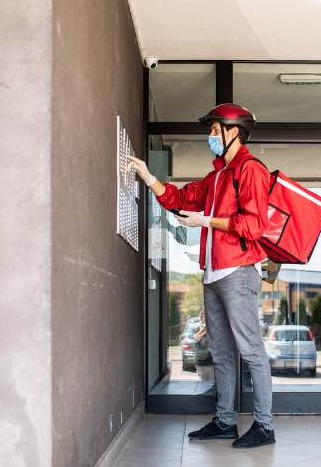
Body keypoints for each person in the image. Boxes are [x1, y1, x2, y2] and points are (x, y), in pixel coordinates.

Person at [128, 103, 275, 449]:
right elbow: (179, 198)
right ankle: (225, 422)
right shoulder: (216, 177)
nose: (208, 136)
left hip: (238, 272)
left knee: (251, 351)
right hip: (213, 275)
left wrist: (204, 221)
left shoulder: (250, 170)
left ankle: (264, 426)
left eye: (213, 129)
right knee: (222, 354)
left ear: (232, 131)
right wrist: (149, 177)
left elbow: (255, 225)